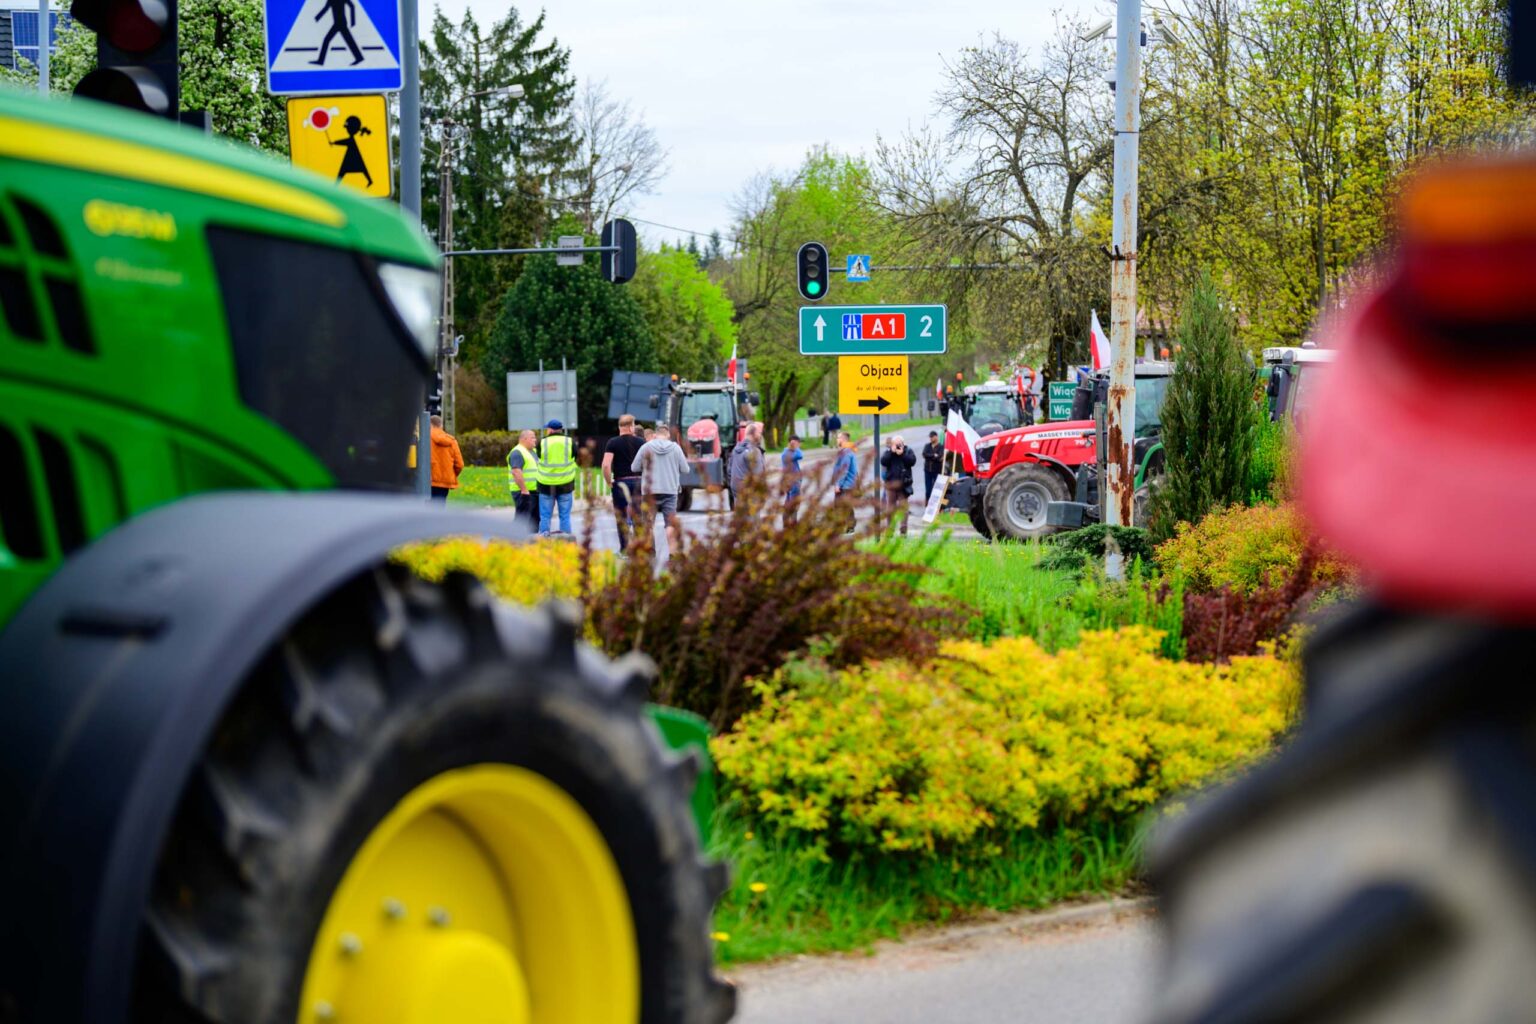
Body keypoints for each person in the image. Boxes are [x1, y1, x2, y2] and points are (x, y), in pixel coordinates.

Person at [637, 424, 690, 556]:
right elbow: (686, 469)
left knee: (648, 523)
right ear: (668, 435)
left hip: (649, 492)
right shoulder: (676, 448)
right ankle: (672, 554)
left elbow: (634, 467)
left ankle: (650, 552)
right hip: (670, 491)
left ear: (656, 434)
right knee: (670, 524)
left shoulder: (645, 447)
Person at [602, 414, 646, 552]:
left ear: (620, 427)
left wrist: (609, 481)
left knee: (621, 517)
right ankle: (639, 549)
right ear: (631, 426)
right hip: (638, 482)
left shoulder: (612, 442)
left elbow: (605, 465)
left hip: (621, 482)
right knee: (638, 516)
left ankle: (625, 549)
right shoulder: (641, 442)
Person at [537, 419, 577, 535]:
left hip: (545, 484)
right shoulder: (570, 442)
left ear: (550, 430)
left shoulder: (542, 442)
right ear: (561, 429)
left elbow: (539, 456)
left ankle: (544, 540)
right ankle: (566, 542)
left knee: (545, 515)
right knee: (565, 516)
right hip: (566, 484)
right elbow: (575, 456)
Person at [880, 435, 917, 536]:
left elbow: (912, 461)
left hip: (903, 484)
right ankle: (889, 530)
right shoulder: (889, 452)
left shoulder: (908, 451)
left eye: (899, 444)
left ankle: (903, 530)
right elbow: (883, 461)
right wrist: (891, 452)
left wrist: (902, 454)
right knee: (890, 508)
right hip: (891, 484)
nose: (897, 446)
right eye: (895, 444)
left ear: (903, 443)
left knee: (903, 508)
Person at [728, 421, 766, 506]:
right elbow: (758, 475)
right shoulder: (754, 451)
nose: (760, 436)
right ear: (754, 434)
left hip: (737, 490)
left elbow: (729, 471)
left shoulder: (736, 450)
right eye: (759, 433)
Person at [428, 414, 463, 502]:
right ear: (441, 426)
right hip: (444, 482)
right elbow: (460, 464)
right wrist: (450, 474)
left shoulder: (425, 438)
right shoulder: (451, 441)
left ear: (430, 425)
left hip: (428, 481)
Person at [507, 428, 540, 521]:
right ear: (524, 439)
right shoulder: (517, 452)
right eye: (532, 437)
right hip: (523, 492)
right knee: (523, 520)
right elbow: (516, 471)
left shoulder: (533, 452)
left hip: (534, 491)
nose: (535, 439)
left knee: (534, 521)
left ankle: (533, 535)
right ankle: (516, 535)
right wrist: (524, 490)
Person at [832, 429, 858, 533]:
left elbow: (844, 470)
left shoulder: (846, 452)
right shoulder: (846, 451)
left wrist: (838, 484)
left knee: (841, 506)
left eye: (838, 438)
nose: (837, 439)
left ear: (843, 440)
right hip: (847, 484)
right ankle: (849, 527)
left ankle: (845, 527)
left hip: (845, 485)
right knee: (846, 506)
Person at [781, 435, 804, 525]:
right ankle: (792, 524)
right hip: (793, 482)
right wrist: (795, 447)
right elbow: (800, 455)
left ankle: (787, 523)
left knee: (788, 502)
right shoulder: (788, 453)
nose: (800, 445)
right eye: (798, 443)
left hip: (791, 481)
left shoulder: (788, 452)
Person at [921, 430, 945, 504]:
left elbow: (939, 457)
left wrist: (932, 456)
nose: (931, 439)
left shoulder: (941, 446)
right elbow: (924, 454)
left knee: (937, 488)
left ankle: (937, 503)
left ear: (936, 437)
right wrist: (933, 455)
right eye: (930, 437)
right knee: (928, 488)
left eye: (932, 437)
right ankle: (927, 502)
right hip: (927, 470)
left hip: (937, 470)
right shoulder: (927, 446)